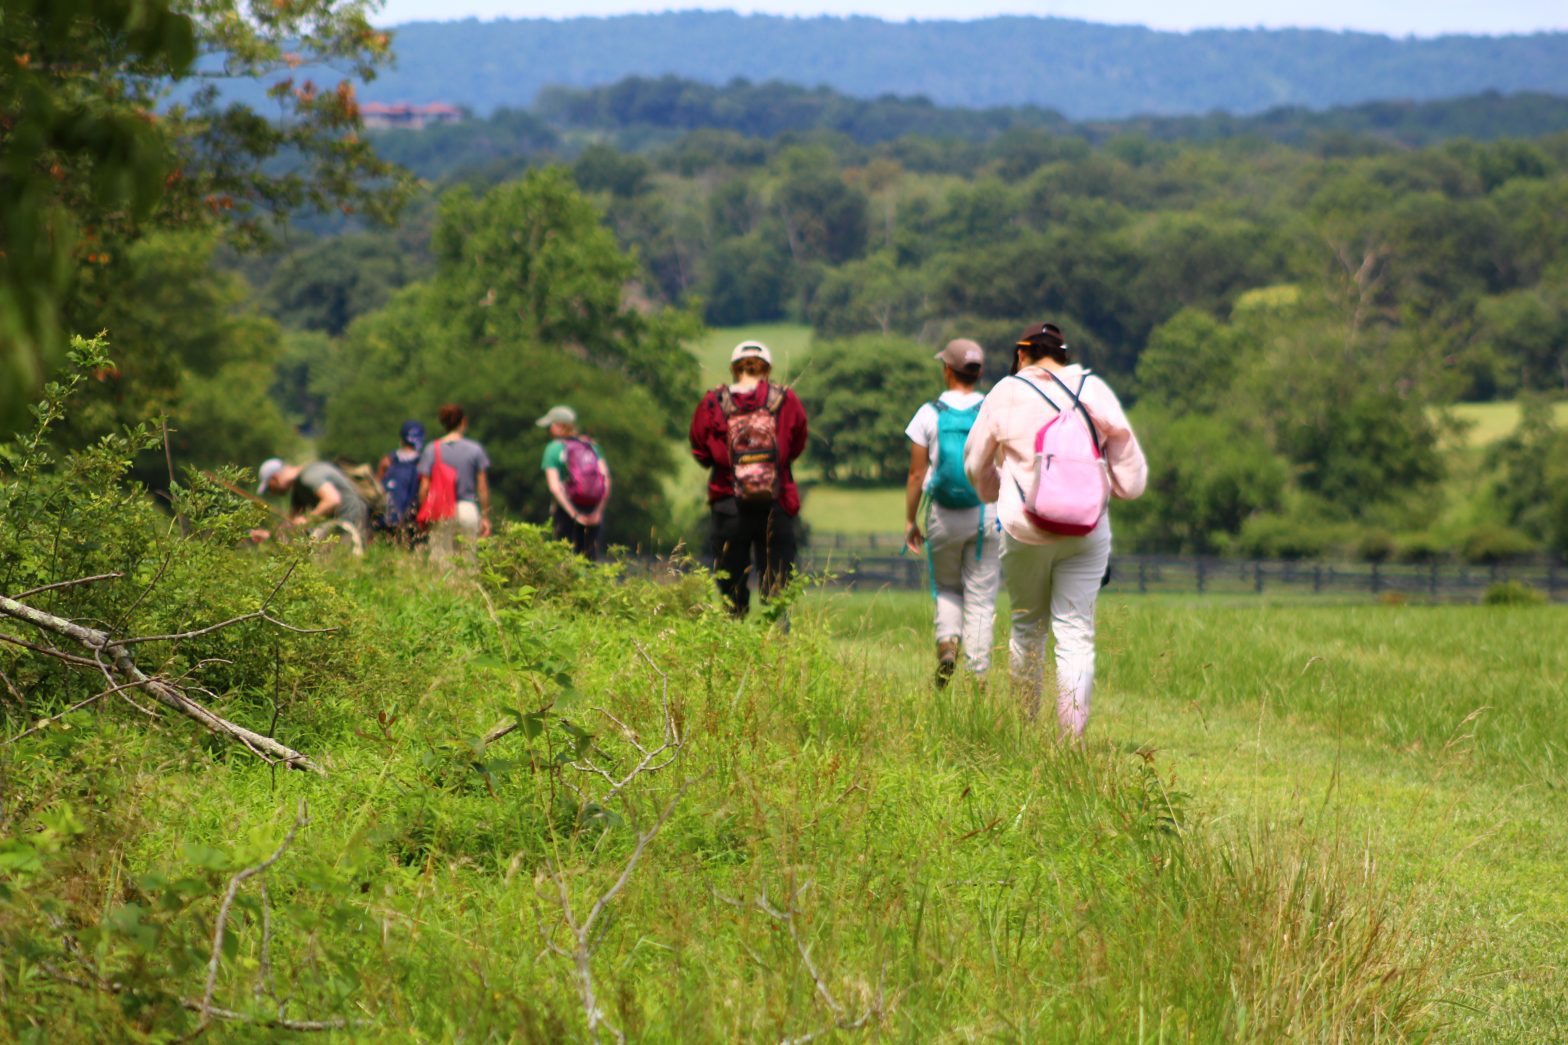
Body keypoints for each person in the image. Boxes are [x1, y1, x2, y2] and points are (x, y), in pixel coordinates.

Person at [963, 322, 1147, 740]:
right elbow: (1130, 471)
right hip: (1086, 531)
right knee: (1076, 635)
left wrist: (995, 490)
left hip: (1025, 530)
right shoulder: (1092, 388)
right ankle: (1070, 742)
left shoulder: (1007, 392)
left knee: (1028, 628)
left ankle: (1025, 732)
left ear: (1022, 355)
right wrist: (1115, 488)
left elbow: (975, 462)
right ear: (1063, 356)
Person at [904, 338, 1001, 687]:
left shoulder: (928, 413)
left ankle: (947, 643)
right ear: (978, 372)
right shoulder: (992, 409)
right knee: (980, 596)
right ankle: (978, 673)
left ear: (947, 370)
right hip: (985, 514)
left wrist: (910, 520)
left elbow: (917, 474)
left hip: (943, 515)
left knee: (946, 587)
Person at [689, 340, 808, 617]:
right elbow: (798, 442)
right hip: (776, 501)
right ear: (767, 369)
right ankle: (777, 643)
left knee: (731, 587)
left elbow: (700, 449)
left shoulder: (712, 402)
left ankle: (735, 639)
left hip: (728, 503)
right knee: (777, 585)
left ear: (733, 369)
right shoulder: (786, 399)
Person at [418, 403, 492, 564]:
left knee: (441, 564)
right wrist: (485, 516)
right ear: (463, 421)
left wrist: (426, 513)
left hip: (442, 511)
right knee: (468, 563)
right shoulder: (475, 449)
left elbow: (424, 487)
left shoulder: (432, 449)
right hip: (468, 509)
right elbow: (482, 488)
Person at [537, 404, 610, 560]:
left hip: (566, 511)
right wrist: (598, 512)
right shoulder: (591, 446)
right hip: (592, 510)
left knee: (563, 561)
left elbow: (554, 487)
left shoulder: (553, 448)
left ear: (559, 426)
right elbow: (606, 480)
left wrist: (574, 514)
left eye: (550, 426)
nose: (549, 430)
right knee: (589, 561)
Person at [256, 457, 369, 553]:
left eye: (270, 487)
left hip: (350, 521)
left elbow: (332, 500)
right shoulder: (298, 488)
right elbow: (292, 521)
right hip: (338, 526)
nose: (272, 492)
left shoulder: (308, 476)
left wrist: (307, 520)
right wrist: (270, 535)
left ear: (275, 478)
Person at [376, 420, 426, 542]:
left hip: (383, 517)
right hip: (410, 519)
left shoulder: (388, 460)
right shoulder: (421, 462)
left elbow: (376, 486)